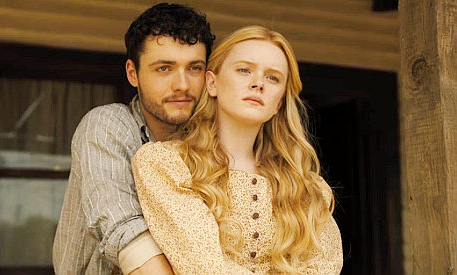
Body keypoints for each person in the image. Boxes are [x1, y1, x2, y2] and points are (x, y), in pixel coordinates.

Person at [132, 25, 343, 274]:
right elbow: (204, 267)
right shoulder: (167, 165)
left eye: (273, 77)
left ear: (279, 102)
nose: (258, 84)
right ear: (212, 83)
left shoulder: (308, 189)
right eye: (244, 70)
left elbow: (324, 268)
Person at [52, 3, 215, 274]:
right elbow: (126, 233)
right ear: (132, 73)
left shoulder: (209, 142)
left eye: (194, 68)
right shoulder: (107, 126)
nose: (183, 85)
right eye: (164, 68)